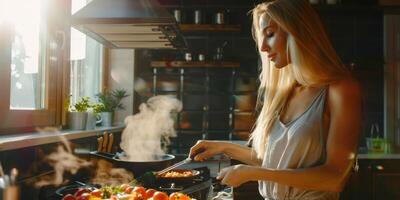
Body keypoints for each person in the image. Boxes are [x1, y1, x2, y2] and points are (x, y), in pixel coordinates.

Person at [189, 0, 362, 199]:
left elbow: (335, 178)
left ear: (298, 32)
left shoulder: (340, 89)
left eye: (270, 35)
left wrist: (252, 173)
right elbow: (275, 162)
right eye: (261, 38)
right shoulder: (283, 93)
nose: (262, 47)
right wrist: (224, 147)